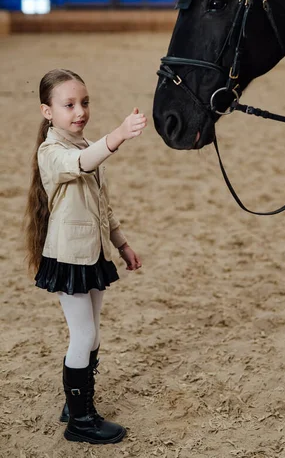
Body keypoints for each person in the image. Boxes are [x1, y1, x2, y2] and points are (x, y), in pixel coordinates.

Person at [24, 68, 147, 445]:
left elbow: (102, 205)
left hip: (92, 252)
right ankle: (80, 421)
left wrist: (122, 243)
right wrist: (120, 135)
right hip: (68, 256)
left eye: (84, 103)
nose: (80, 111)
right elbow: (81, 165)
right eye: (69, 105)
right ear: (48, 112)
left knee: (93, 335)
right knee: (84, 334)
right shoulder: (52, 152)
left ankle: (76, 404)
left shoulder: (83, 145)